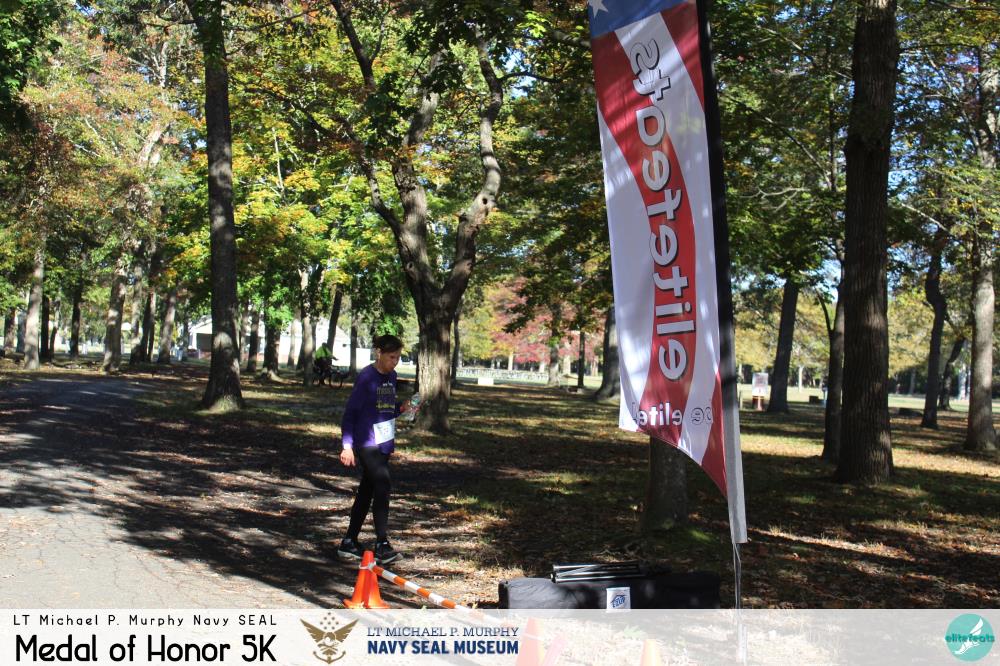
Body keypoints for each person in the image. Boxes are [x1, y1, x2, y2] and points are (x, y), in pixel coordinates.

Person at [336, 334, 417, 565]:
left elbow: (385, 408)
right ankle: (382, 543)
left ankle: (349, 541)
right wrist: (347, 446)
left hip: (384, 442)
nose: (395, 362)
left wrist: (402, 408)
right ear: (378, 353)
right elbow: (350, 413)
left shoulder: (392, 376)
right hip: (366, 441)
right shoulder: (366, 377)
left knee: (367, 490)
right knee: (383, 483)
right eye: (392, 357)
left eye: (398, 357)